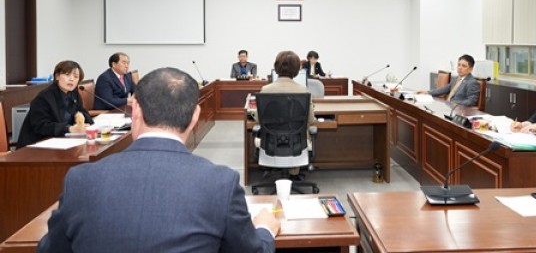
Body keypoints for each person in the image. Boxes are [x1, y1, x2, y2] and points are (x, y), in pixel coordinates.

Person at [37, 67, 280, 253]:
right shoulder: (221, 183)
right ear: (195, 116)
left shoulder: (81, 180)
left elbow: (49, 249)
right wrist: (265, 229)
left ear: (136, 110)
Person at [260, 51, 316, 176]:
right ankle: (293, 171)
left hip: (271, 141)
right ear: (297, 69)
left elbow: (259, 120)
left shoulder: (266, 90)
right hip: (297, 142)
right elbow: (310, 120)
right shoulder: (303, 90)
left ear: (276, 67)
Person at [16, 60, 92, 148]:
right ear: (57, 76)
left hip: (62, 141)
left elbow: (82, 111)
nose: (72, 79)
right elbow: (41, 126)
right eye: (67, 75)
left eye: (76, 76)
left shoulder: (74, 93)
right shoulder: (44, 97)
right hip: (36, 145)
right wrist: (69, 129)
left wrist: (80, 115)